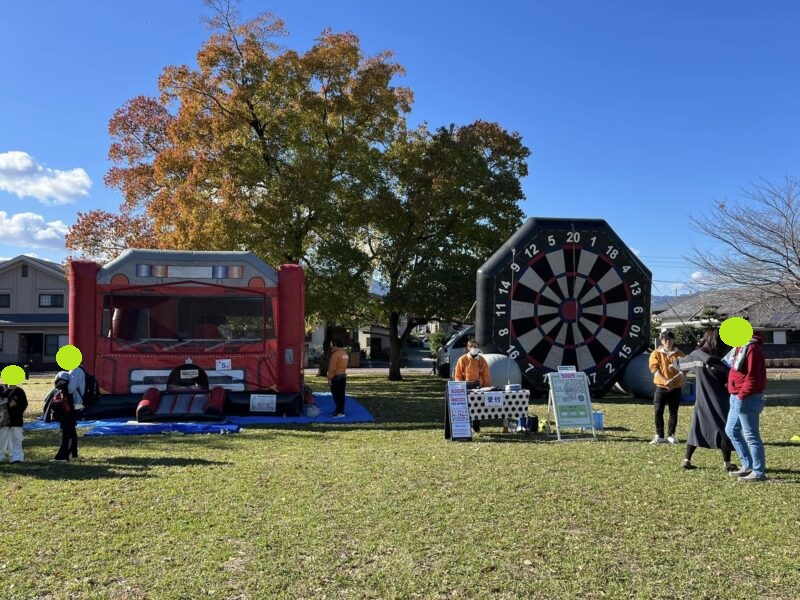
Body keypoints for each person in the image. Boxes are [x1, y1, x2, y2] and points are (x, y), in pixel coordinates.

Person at [674, 329, 737, 471]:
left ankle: (687, 459)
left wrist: (697, 351)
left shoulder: (697, 356)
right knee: (724, 429)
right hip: (722, 399)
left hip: (702, 400)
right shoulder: (724, 358)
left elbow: (677, 365)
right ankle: (727, 462)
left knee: (696, 428)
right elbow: (731, 374)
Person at [724, 331, 768, 482]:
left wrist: (743, 394)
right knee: (731, 430)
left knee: (751, 436)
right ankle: (747, 465)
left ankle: (758, 471)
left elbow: (753, 375)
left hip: (747, 397)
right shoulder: (739, 347)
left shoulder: (752, 347)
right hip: (736, 395)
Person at [648, 331, 685, 444]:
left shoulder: (679, 354)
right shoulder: (656, 353)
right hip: (661, 387)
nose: (666, 342)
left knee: (673, 411)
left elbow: (683, 370)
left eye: (669, 339)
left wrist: (672, 381)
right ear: (661, 340)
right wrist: (665, 381)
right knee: (658, 411)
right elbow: (655, 369)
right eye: (664, 339)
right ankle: (659, 435)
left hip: (676, 387)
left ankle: (671, 435)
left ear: (673, 340)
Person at [453, 339, 491, 433]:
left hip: (478, 386)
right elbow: (458, 375)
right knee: (465, 407)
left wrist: (487, 387)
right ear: (468, 348)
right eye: (472, 346)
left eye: (476, 346)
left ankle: (476, 427)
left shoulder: (481, 360)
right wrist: (459, 387)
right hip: (465, 385)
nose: (474, 348)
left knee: (477, 406)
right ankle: (465, 427)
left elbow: (485, 375)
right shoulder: (462, 359)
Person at [51, 370, 81, 462]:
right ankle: (73, 453)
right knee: (72, 433)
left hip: (65, 415)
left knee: (66, 434)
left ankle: (63, 456)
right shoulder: (71, 388)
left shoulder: (62, 388)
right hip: (72, 413)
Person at [0, 383, 28, 463]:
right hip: (2, 421)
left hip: (16, 420)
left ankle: (16, 457)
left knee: (16, 438)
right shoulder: (1, 389)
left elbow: (24, 405)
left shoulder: (19, 391)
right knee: (1, 438)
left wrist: (16, 405)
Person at [328, 339, 349, 418]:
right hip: (343, 376)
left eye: (332, 345)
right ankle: (341, 411)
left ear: (335, 345)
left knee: (336, 395)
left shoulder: (335, 355)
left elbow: (332, 368)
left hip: (336, 378)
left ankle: (338, 412)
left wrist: (329, 378)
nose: (331, 347)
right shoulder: (345, 353)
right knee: (341, 395)